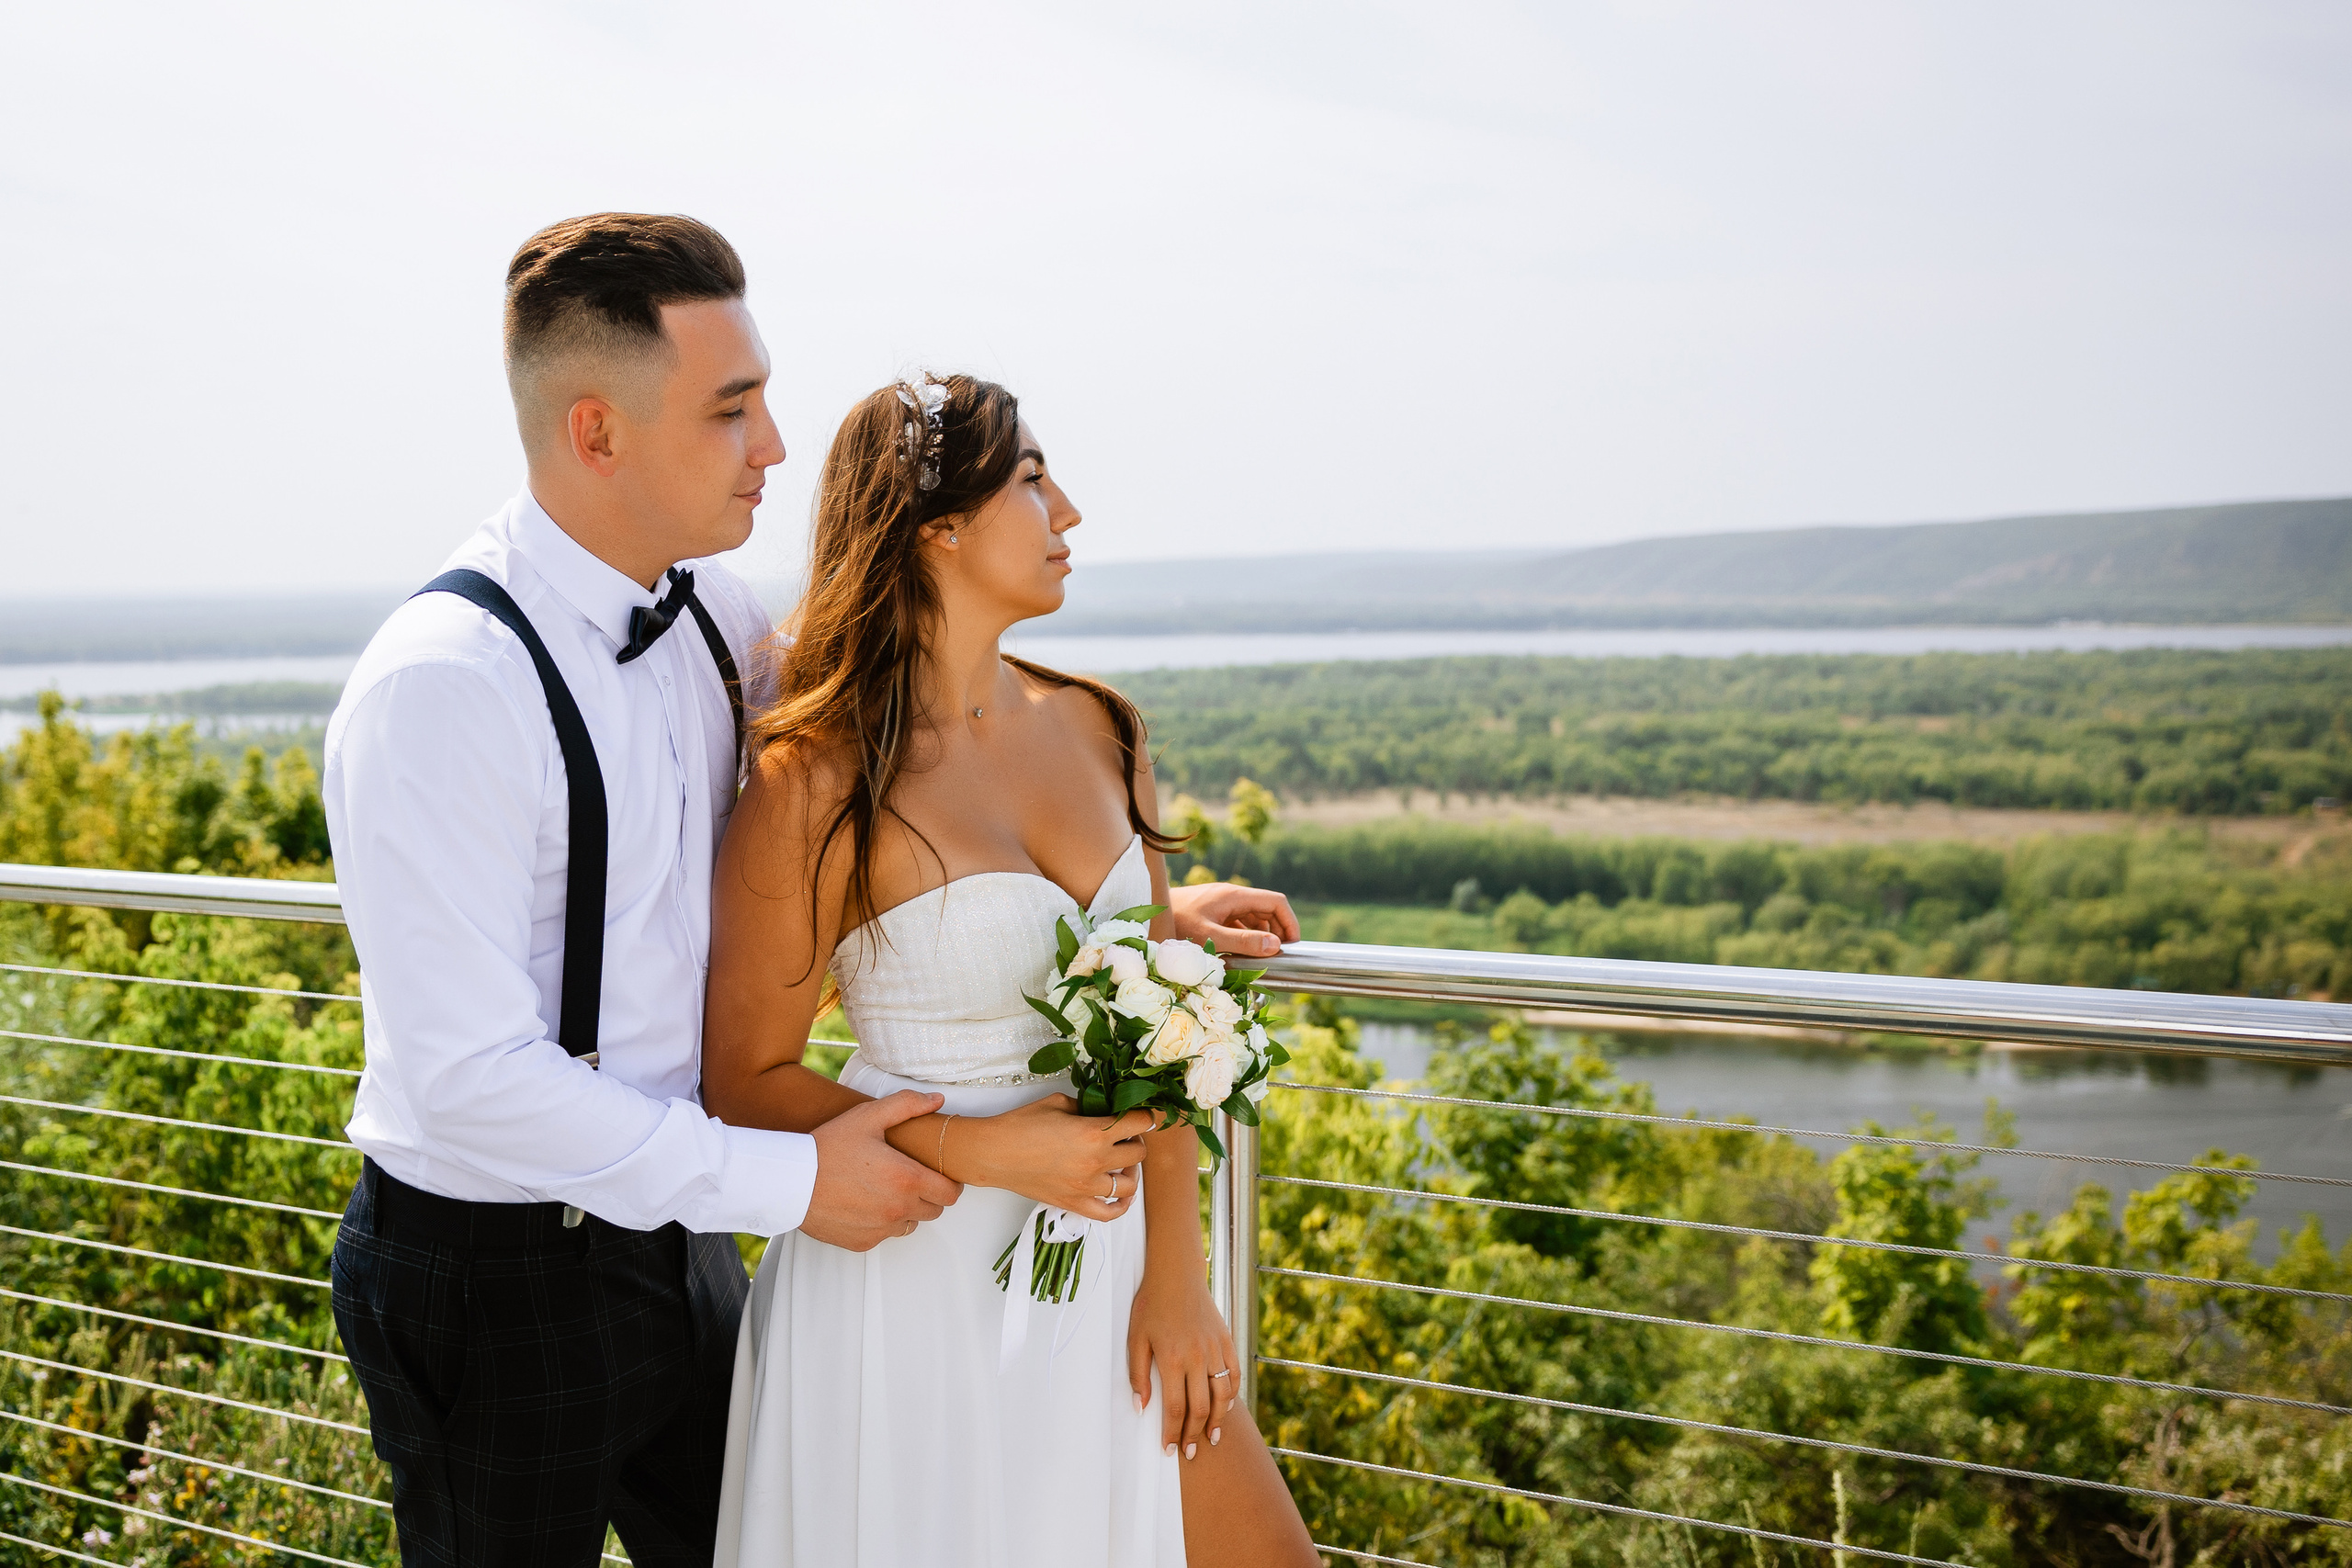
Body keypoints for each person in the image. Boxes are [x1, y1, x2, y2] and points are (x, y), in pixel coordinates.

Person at [324, 213, 1302, 1568]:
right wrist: (782, 1180)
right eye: (733, 412)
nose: (773, 446)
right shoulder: (445, 685)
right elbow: (468, 1078)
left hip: (683, 1246)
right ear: (597, 430)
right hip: (501, 1273)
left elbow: (912, 770)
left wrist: (1127, 925)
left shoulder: (721, 631)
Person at [702, 373, 1320, 1566]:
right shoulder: (819, 775)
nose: (1070, 512)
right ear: (935, 527)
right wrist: (984, 1151)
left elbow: (1163, 1025)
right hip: (908, 1282)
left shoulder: (1100, 728)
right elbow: (745, 1077)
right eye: (1033, 481)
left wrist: (1181, 1286)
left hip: (1121, 1269)